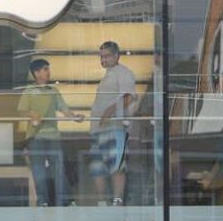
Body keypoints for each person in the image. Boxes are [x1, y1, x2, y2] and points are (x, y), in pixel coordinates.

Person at [17, 59, 84, 206]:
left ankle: (67, 200)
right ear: (36, 73)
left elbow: (64, 108)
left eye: (48, 69)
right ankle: (43, 201)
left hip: (53, 135)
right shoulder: (29, 90)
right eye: (45, 69)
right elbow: (21, 111)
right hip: (36, 136)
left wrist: (74, 117)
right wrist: (32, 114)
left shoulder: (53, 90)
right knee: (38, 171)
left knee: (58, 169)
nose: (49, 72)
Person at [88, 41, 137, 206]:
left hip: (114, 128)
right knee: (97, 168)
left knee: (116, 165)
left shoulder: (123, 73)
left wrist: (109, 112)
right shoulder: (108, 76)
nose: (103, 60)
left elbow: (129, 97)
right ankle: (102, 201)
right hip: (98, 130)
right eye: (101, 56)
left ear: (117, 56)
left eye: (107, 56)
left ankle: (117, 200)